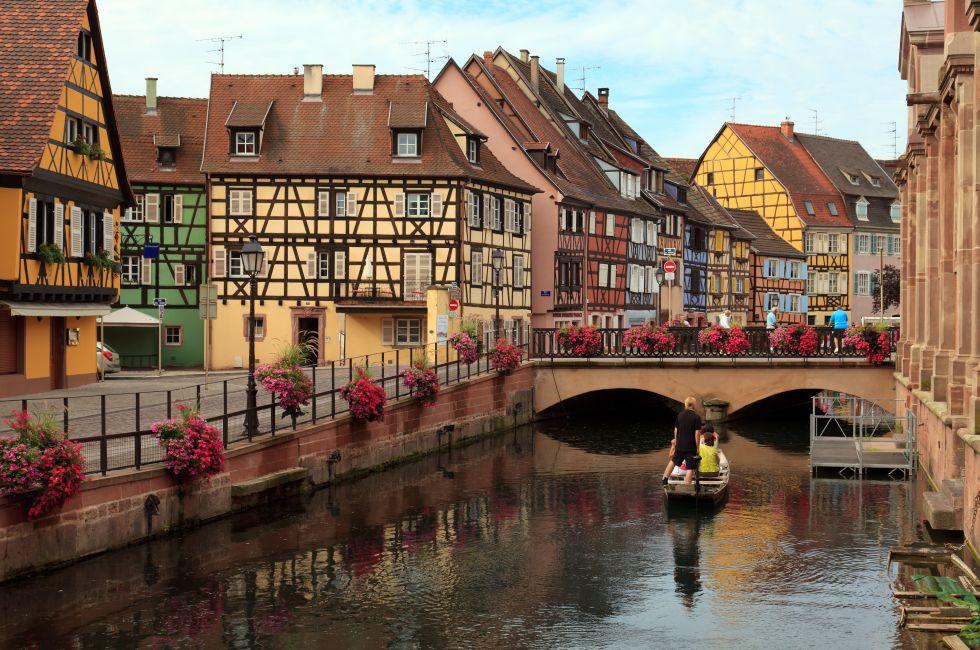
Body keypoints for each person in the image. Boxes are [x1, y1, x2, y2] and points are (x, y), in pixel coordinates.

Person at [663, 397, 703, 485]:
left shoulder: (680, 415)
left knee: (673, 461)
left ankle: (665, 478)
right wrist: (697, 447)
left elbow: (675, 431)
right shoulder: (696, 417)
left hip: (680, 445)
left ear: (686, 404)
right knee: (690, 467)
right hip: (690, 446)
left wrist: (677, 442)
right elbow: (697, 434)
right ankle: (687, 486)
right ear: (694, 405)